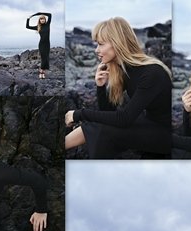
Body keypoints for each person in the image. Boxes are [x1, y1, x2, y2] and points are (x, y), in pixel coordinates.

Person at [65, 16, 171, 158]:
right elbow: (108, 112)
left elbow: (124, 118)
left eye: (101, 44)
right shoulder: (124, 70)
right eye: (96, 44)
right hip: (149, 125)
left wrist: (78, 114)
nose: (96, 50)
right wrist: (101, 87)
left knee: (100, 129)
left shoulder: (152, 73)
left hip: (165, 135)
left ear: (118, 43)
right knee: (99, 125)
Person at [26, 12, 52, 78]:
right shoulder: (38, 27)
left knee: (46, 58)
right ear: (39, 20)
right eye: (41, 19)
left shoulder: (48, 24)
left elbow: (50, 15)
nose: (42, 20)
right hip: (41, 44)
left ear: (45, 20)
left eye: (43, 19)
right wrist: (28, 18)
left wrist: (37, 14)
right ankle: (41, 73)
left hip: (47, 44)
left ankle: (42, 72)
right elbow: (27, 26)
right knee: (43, 58)